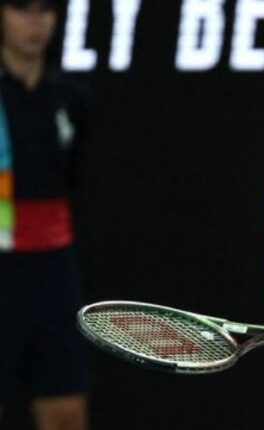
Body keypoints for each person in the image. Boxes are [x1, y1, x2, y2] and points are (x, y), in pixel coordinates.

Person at [0, 0, 90, 429]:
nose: (35, 22)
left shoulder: (72, 97)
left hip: (53, 272)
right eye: (22, 9)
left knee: (65, 412)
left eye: (45, 10)